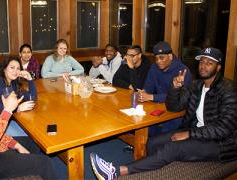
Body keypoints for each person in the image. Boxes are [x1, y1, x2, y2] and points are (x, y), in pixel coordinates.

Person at [89, 47, 237, 180]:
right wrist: (175, 88)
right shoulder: (196, 85)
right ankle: (149, 173)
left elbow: (224, 129)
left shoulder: (227, 90)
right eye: (202, 62)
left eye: (209, 63)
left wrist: (189, 134)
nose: (203, 66)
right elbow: (174, 107)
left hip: (222, 143)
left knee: (173, 148)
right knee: (152, 143)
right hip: (196, 131)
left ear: (218, 67)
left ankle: (116, 171)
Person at [138, 41, 192, 136]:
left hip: (176, 113)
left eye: (162, 57)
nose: (158, 61)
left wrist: (152, 97)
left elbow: (180, 98)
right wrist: (144, 92)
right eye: (156, 58)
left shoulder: (183, 71)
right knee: (139, 124)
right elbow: (148, 86)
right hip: (158, 108)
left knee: (154, 134)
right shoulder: (154, 68)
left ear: (170, 56)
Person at [0, 56, 37, 151]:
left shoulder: (13, 83)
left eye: (18, 68)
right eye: (12, 67)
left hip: (8, 121)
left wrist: (30, 80)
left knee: (34, 133)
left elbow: (32, 97)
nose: (15, 71)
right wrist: (17, 108)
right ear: (4, 68)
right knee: (32, 139)